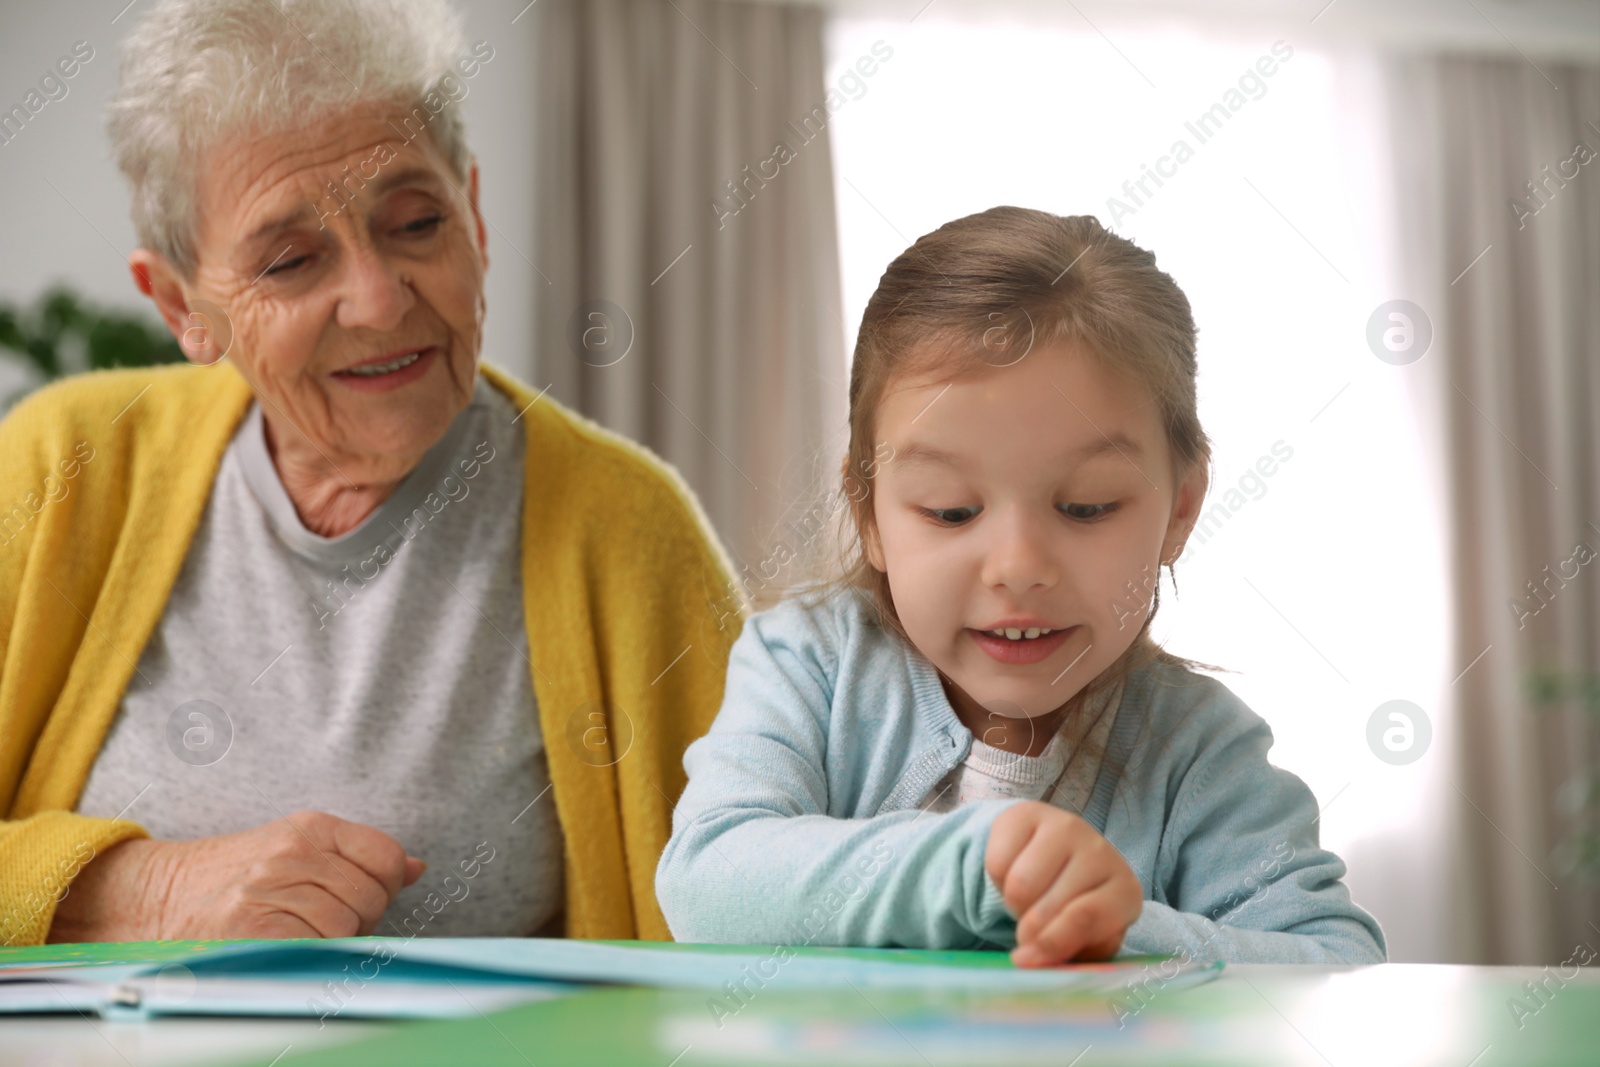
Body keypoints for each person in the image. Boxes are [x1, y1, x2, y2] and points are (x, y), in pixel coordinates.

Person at [0, 0, 741, 947]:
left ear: (473, 216)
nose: (380, 298)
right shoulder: (63, 467)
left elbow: (760, 915)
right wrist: (131, 890)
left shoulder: (630, 531)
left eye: (416, 222)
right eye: (293, 261)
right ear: (184, 305)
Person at [656, 207, 1385, 966]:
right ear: (869, 512)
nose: (1017, 565)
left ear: (1180, 509)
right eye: (951, 510)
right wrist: (976, 865)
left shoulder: (1198, 750)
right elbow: (707, 881)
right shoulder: (806, 662)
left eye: (1085, 506)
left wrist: (1117, 929)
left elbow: (1336, 962)